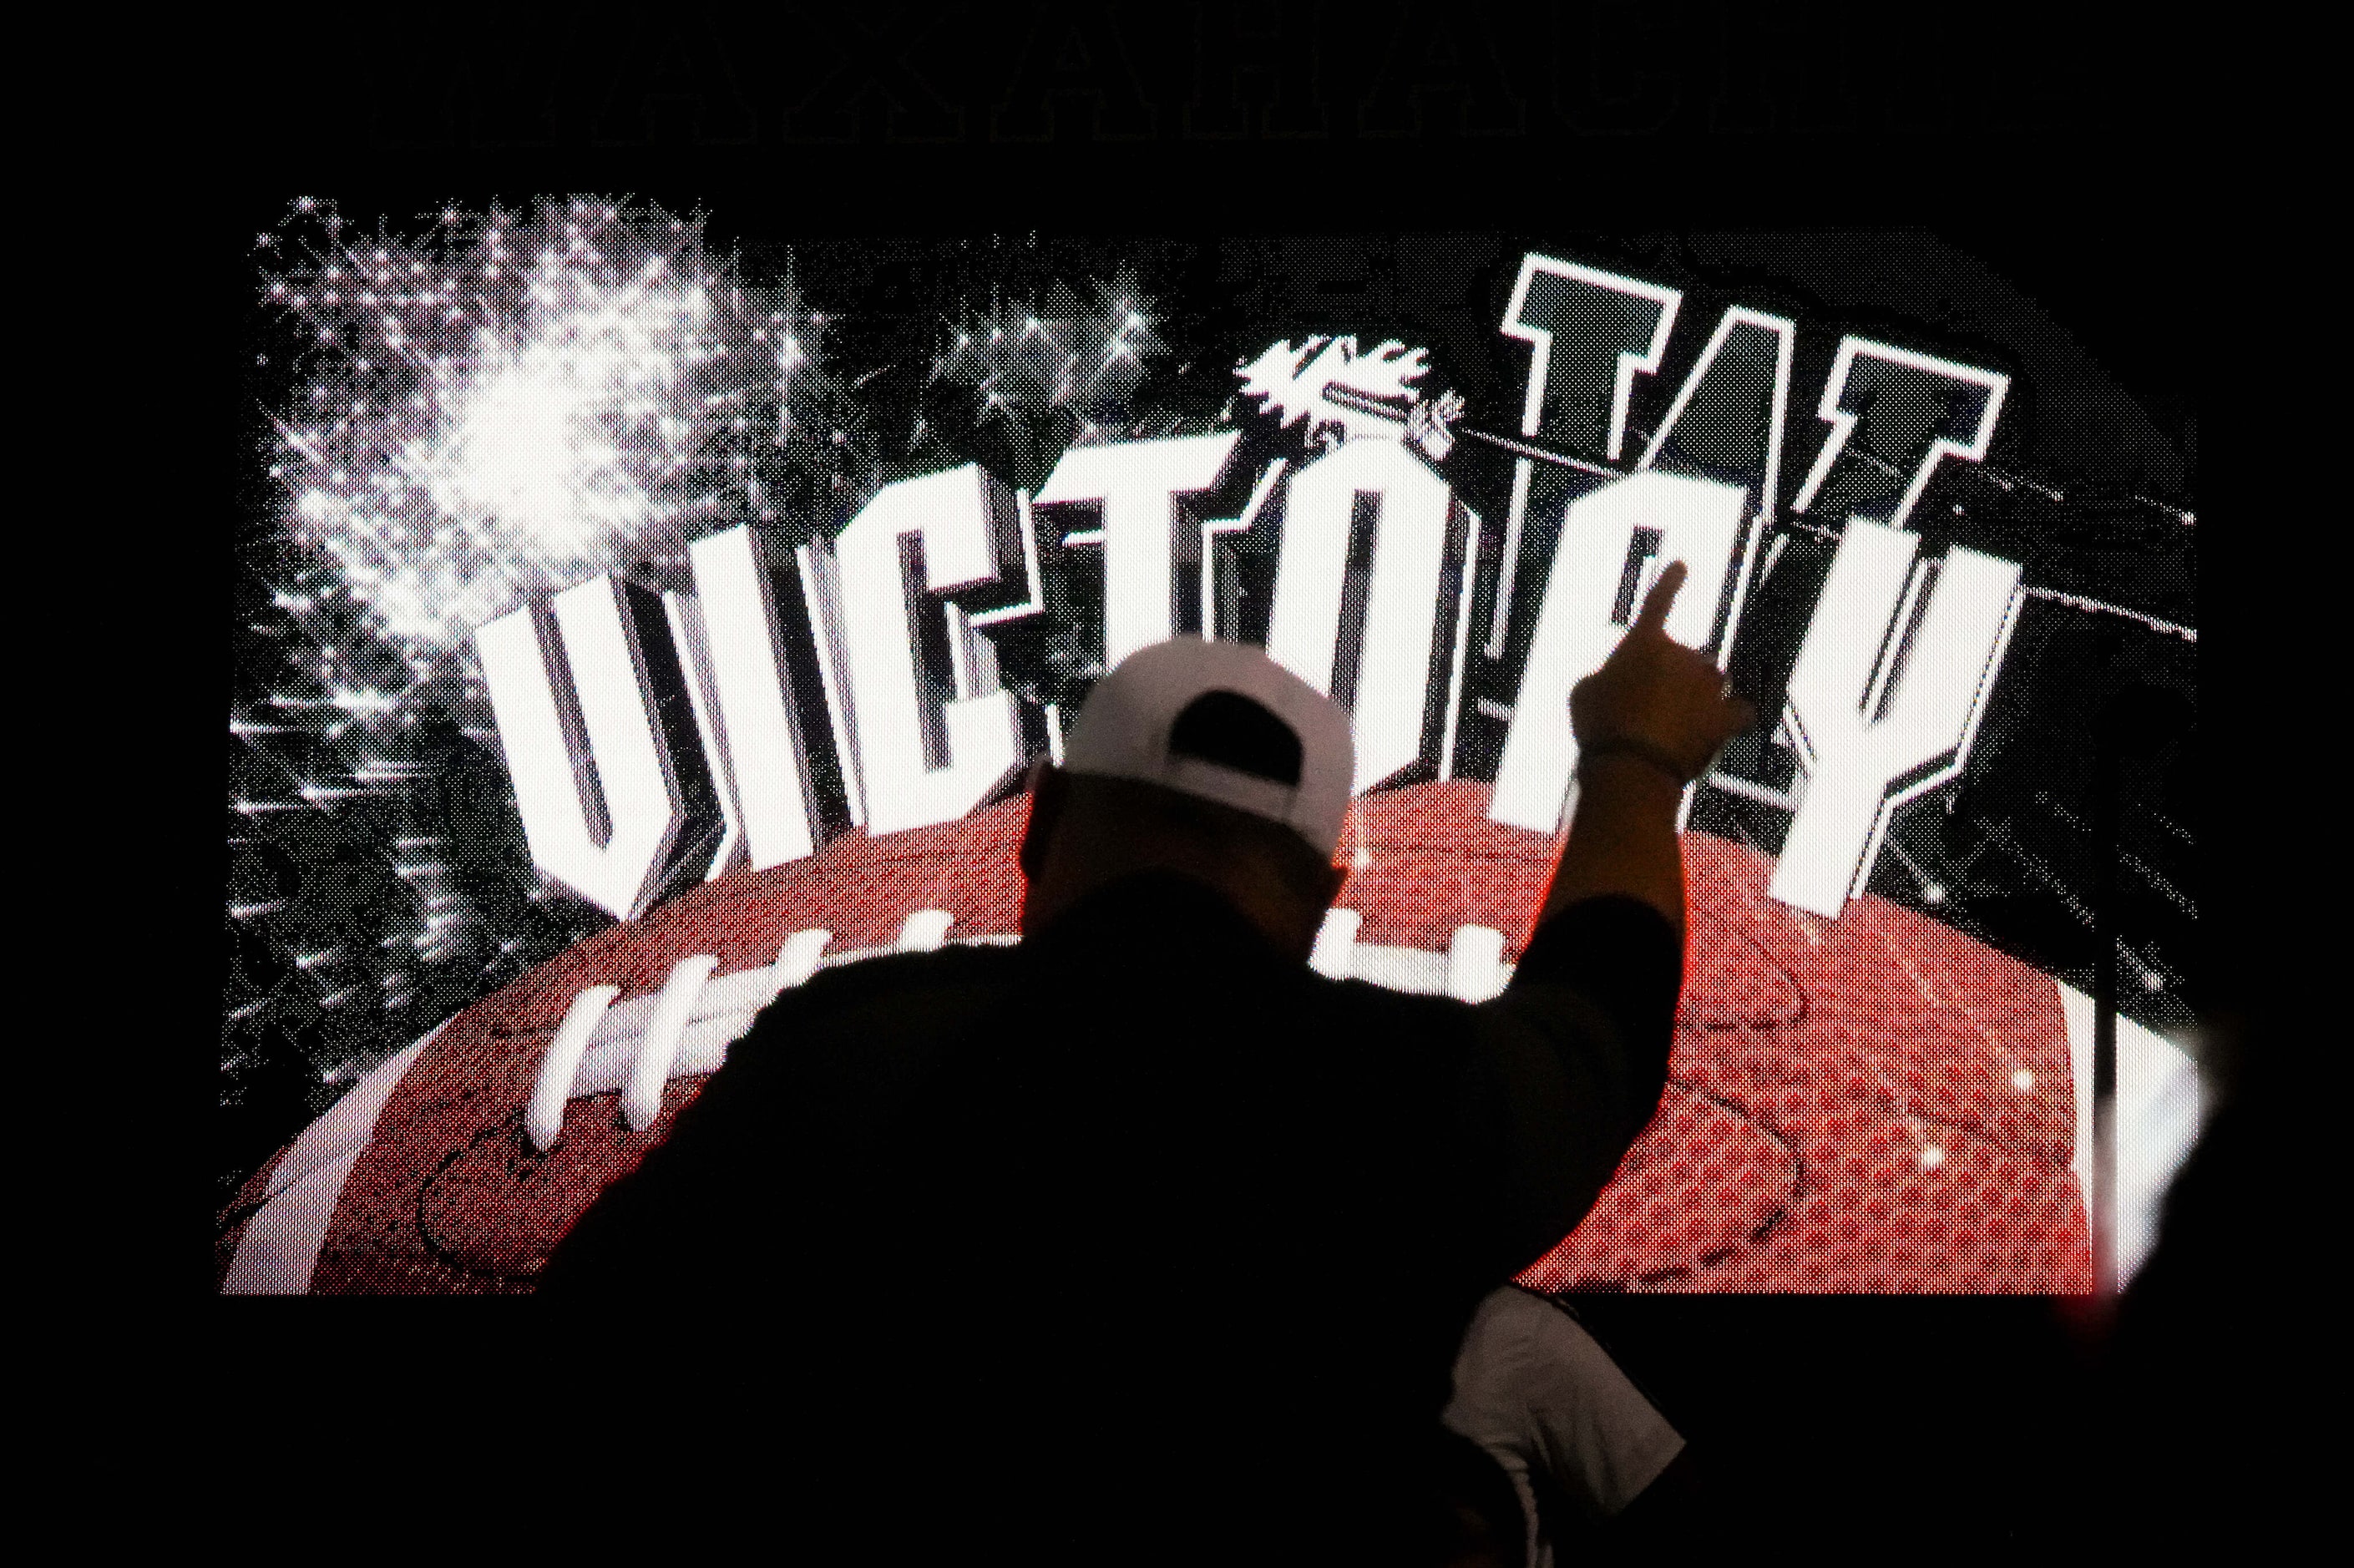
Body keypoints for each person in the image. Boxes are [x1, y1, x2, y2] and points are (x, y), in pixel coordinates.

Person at [539, 560, 1754, 1562]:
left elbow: (592, 1356)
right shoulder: (1389, 1083)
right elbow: (1596, 1030)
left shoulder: (850, 1043)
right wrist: (1635, 764)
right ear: (1324, 897)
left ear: (1046, 819)